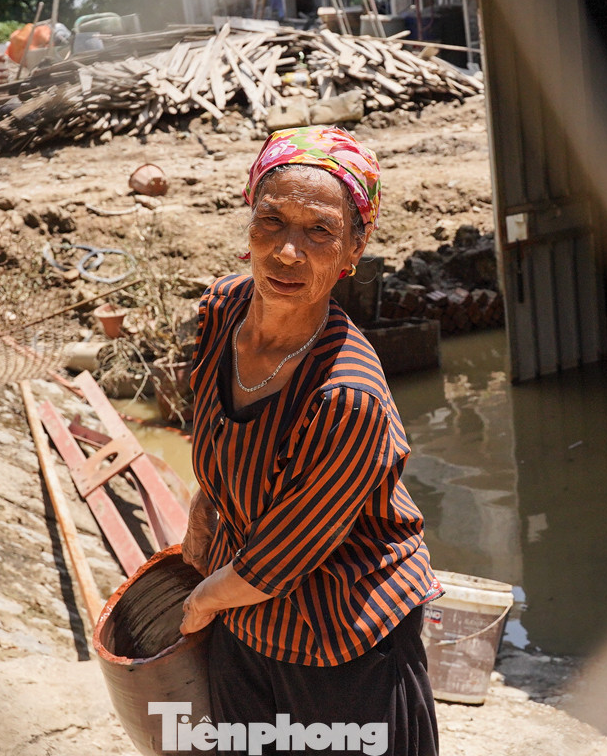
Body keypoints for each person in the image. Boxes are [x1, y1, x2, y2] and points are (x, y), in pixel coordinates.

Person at [179, 126, 441, 755]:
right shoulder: (221, 311)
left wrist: (195, 606)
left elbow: (281, 559)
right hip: (246, 617)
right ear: (249, 225)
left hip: (342, 647)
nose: (289, 253)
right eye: (272, 221)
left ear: (354, 248)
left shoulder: (346, 395)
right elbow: (216, 434)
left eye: (319, 231)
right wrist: (206, 504)